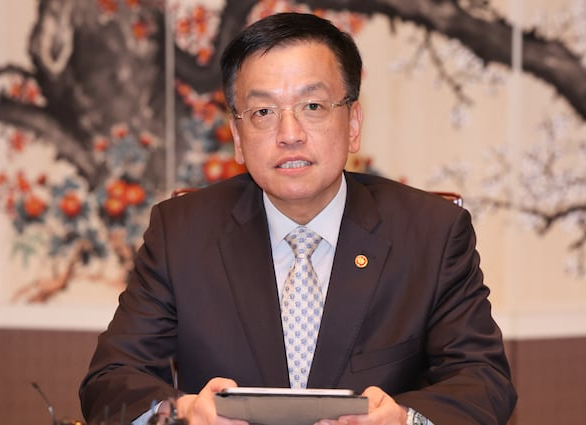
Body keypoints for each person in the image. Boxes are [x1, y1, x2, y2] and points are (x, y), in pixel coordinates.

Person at [79, 12, 517, 425]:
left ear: (353, 123)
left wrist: (403, 419)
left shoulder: (431, 234)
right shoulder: (182, 234)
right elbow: (111, 379)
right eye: (263, 112)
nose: (289, 135)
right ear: (237, 136)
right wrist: (182, 411)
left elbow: (483, 381)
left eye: (313, 106)